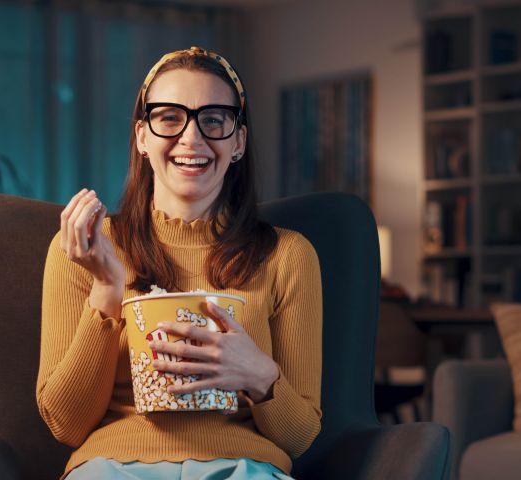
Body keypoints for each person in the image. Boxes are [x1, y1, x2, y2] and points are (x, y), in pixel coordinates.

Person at [37, 46, 322, 480]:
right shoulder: (85, 248)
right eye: (169, 117)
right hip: (113, 466)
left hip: (243, 466)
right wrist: (107, 290)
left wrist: (259, 375)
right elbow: (66, 424)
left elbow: (298, 438)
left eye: (213, 119)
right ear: (142, 137)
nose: (191, 138)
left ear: (238, 141)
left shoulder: (288, 255)